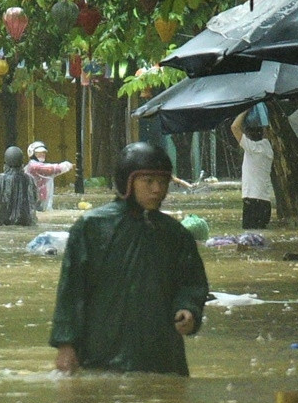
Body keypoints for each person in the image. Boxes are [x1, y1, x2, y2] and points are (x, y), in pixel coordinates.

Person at [50, 142, 210, 376]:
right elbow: (71, 290)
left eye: (163, 182)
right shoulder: (91, 227)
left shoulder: (176, 234)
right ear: (127, 182)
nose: (157, 189)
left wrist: (188, 309)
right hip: (100, 354)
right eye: (148, 181)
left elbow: (192, 283)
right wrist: (66, 345)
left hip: (161, 356)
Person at [231, 110, 275, 231]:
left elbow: (234, 127)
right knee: (259, 237)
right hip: (265, 202)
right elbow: (267, 132)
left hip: (252, 200)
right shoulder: (268, 148)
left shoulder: (252, 148)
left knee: (248, 237)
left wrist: (245, 109)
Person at [0, 146, 39, 227]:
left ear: (5, 163)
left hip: (3, 224)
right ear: (22, 162)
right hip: (26, 223)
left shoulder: (0, 179)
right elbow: (34, 200)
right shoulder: (29, 179)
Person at [23, 141, 74, 212]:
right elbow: (53, 169)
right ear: (32, 153)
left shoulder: (33, 165)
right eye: (39, 153)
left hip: (39, 198)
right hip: (36, 200)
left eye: (43, 152)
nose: (42, 154)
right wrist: (67, 165)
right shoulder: (34, 166)